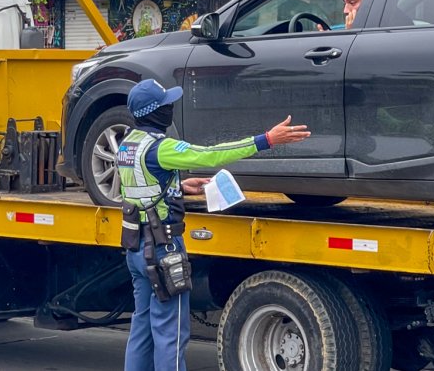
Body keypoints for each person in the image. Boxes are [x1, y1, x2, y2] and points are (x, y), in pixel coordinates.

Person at [118, 78, 310, 371]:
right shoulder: (161, 147)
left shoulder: (127, 145)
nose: (171, 108)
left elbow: (138, 189)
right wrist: (266, 139)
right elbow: (211, 155)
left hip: (136, 248)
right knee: (170, 333)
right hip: (162, 249)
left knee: (142, 327)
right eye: (166, 104)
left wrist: (179, 188)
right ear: (154, 112)